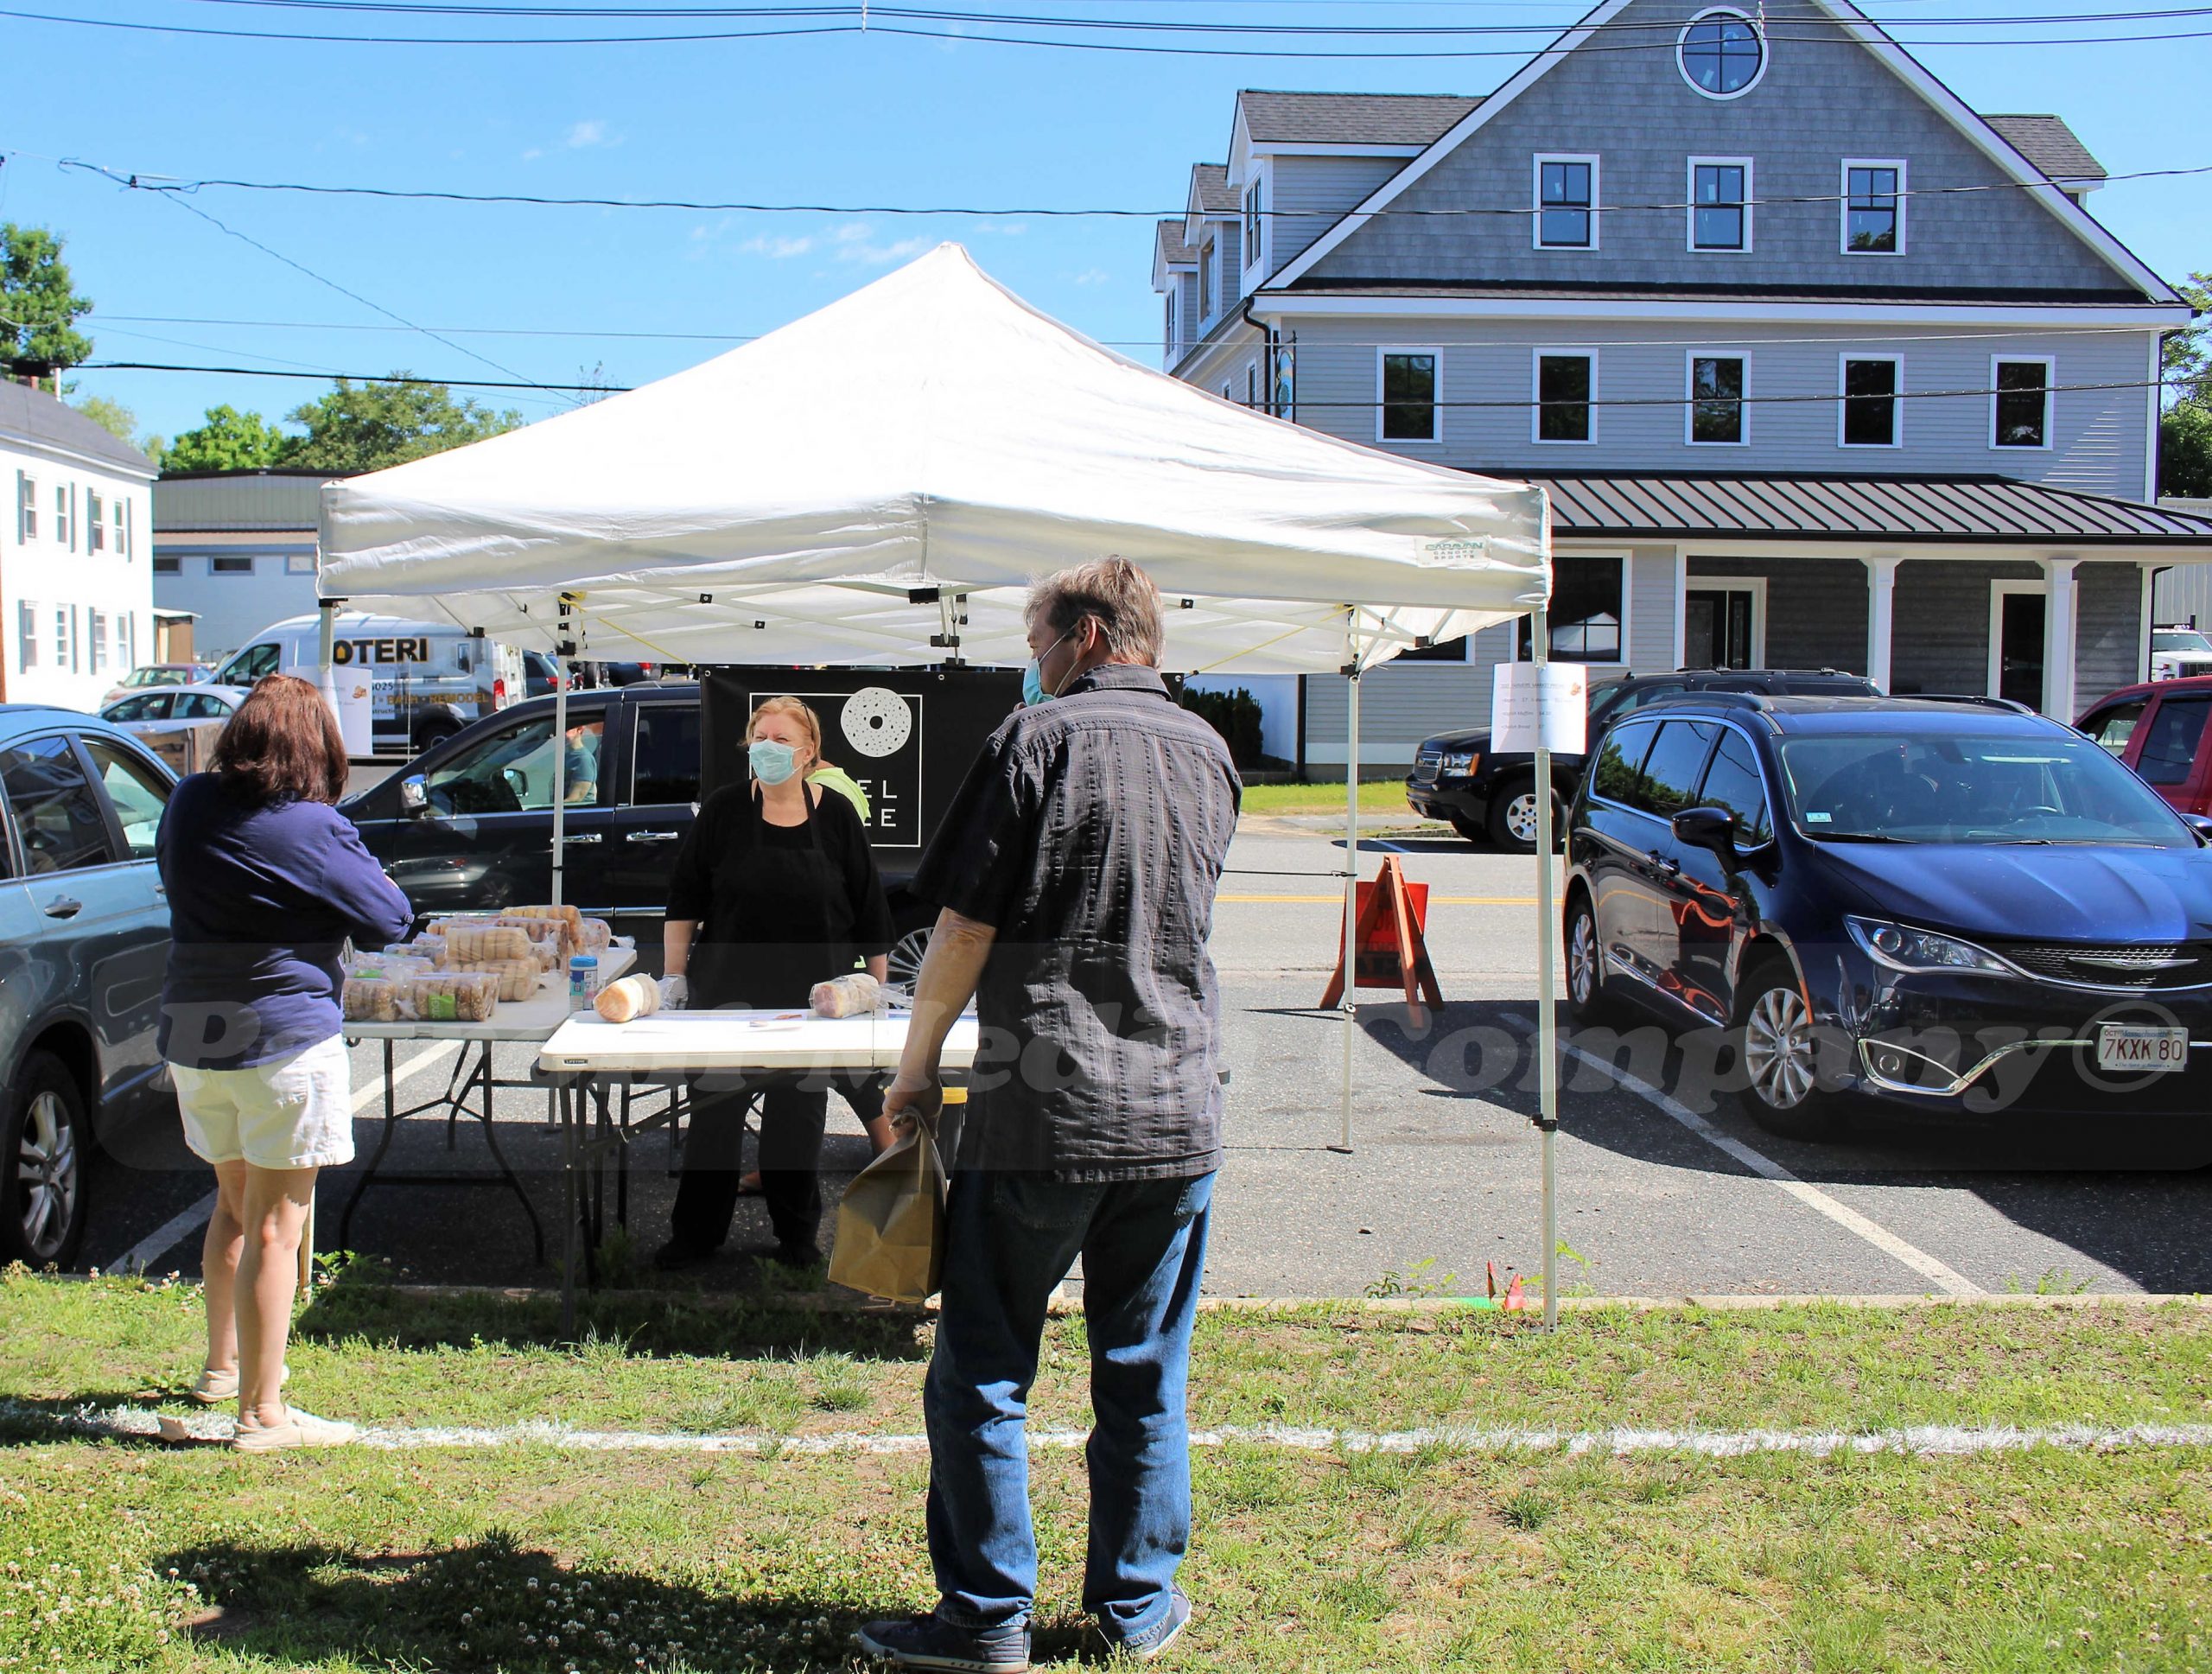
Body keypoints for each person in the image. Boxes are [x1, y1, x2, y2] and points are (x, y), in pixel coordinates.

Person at [860, 558, 1240, 1671]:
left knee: (982, 1367)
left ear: (1086, 634)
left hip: (1046, 1109)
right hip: (1175, 1108)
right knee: (1144, 1367)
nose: (1031, 665)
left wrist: (914, 1068)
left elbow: (963, 929)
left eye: (1036, 644)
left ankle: (985, 1615)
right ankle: (1137, 1602)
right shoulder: (1210, 751)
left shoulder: (1034, 740)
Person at [158, 673, 416, 1453]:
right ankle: (262, 1413)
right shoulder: (311, 825)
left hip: (194, 1035)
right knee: (277, 1226)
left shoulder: (187, 801)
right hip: (279, 1037)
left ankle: (221, 1369)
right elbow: (391, 917)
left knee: (234, 1207)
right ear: (316, 749)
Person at [656, 696, 894, 1270]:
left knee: (797, 1123)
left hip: (813, 1006)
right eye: (760, 737)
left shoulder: (836, 815)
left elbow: (870, 911)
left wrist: (875, 991)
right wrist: (673, 976)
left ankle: (796, 1239)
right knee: (714, 1120)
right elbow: (684, 899)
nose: (768, 747)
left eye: (782, 739)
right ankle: (695, 1238)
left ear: (809, 751)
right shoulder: (724, 810)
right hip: (725, 998)